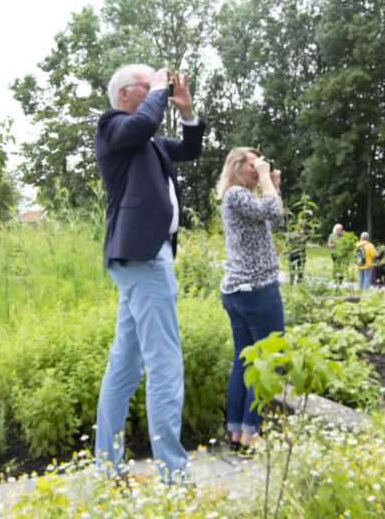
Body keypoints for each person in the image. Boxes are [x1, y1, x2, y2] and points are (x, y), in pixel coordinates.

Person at [93, 64, 205, 483]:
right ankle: (173, 479)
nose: (157, 90)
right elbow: (144, 123)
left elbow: (191, 149)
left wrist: (187, 109)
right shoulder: (113, 125)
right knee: (165, 364)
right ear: (125, 93)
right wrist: (160, 91)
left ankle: (107, 466)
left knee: (124, 365)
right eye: (148, 85)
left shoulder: (149, 140)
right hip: (144, 257)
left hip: (144, 257)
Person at [216, 147, 284, 452]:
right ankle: (251, 432)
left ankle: (237, 433)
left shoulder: (242, 198)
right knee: (268, 359)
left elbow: (275, 219)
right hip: (256, 290)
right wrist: (267, 179)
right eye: (252, 165)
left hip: (240, 291)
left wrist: (273, 186)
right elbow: (273, 211)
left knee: (244, 361)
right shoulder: (236, 195)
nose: (258, 170)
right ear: (237, 168)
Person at [285, 219, 307, 284]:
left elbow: (286, 244)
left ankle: (291, 283)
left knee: (292, 270)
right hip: (301, 255)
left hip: (292, 254)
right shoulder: (303, 236)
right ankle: (299, 284)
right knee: (300, 271)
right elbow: (304, 245)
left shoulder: (291, 234)